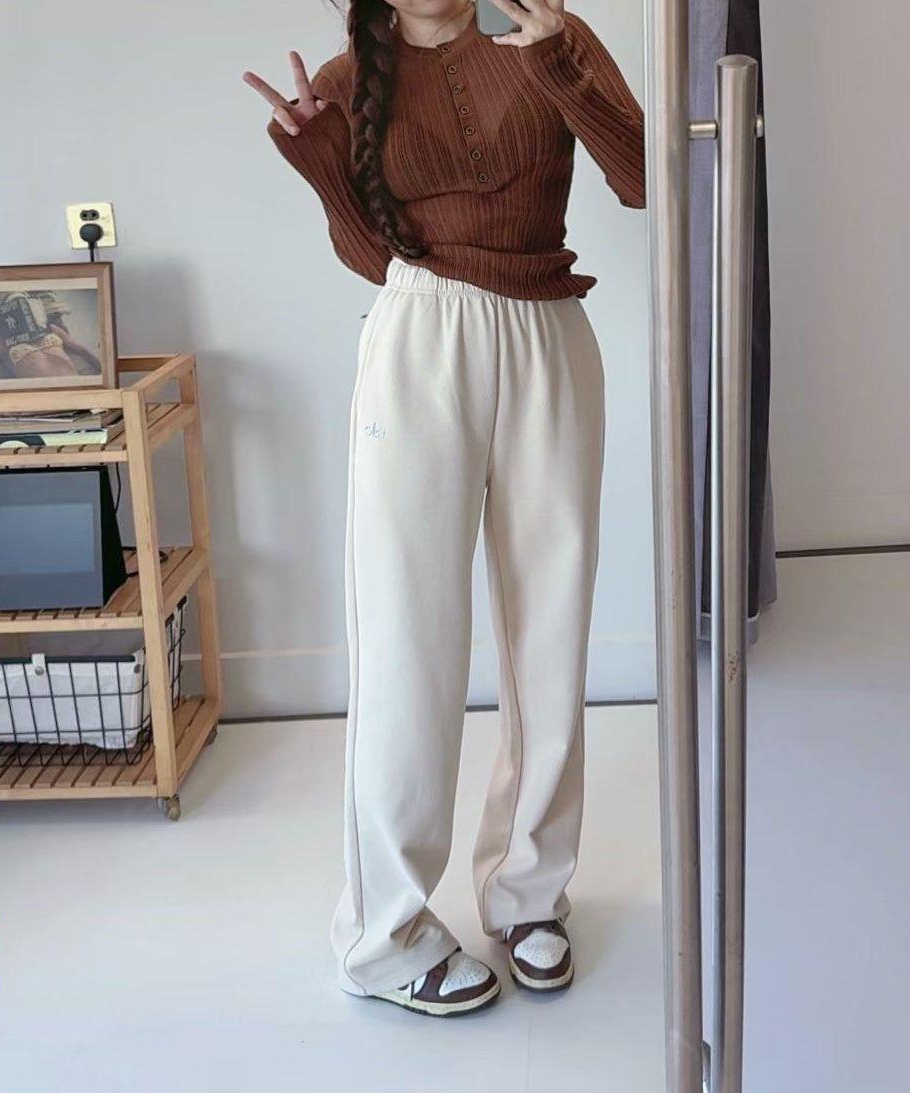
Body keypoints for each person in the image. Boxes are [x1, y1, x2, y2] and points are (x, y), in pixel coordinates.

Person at [244, 0, 644, 1018]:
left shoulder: (546, 31)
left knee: (550, 630)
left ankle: (529, 892)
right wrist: (322, 166)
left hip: (552, 335)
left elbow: (648, 180)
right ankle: (383, 936)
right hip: (423, 336)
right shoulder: (347, 79)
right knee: (406, 635)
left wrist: (560, 64)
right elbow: (373, 255)